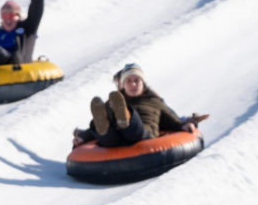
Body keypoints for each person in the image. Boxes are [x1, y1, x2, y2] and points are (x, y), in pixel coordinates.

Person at [72, 63, 208, 149]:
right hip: (116, 140)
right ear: (123, 85)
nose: (133, 84)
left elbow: (172, 120)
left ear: (143, 83)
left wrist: (185, 125)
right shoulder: (113, 101)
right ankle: (111, 125)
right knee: (107, 133)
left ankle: (126, 116)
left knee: (133, 127)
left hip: (142, 135)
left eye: (137, 80)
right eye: (128, 81)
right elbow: (101, 121)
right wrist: (83, 136)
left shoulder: (154, 101)